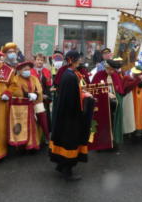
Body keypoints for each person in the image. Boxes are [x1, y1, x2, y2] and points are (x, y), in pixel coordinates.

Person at [50, 51, 94, 181]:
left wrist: (83, 93)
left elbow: (75, 93)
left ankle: (61, 166)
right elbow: (72, 99)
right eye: (78, 59)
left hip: (67, 115)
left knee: (65, 140)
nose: (80, 61)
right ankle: (67, 171)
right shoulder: (69, 77)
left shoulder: (71, 74)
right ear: (73, 60)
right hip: (70, 117)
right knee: (69, 141)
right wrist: (86, 98)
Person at [10, 61, 46, 150]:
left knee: (36, 124)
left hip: (35, 104)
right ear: (20, 70)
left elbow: (40, 89)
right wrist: (27, 95)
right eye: (25, 69)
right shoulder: (15, 79)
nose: (27, 71)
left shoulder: (34, 78)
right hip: (22, 107)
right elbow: (15, 91)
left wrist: (36, 95)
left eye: (29, 69)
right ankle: (23, 145)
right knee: (23, 125)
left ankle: (35, 144)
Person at [91, 59, 125, 149]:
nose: (111, 71)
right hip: (102, 105)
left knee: (113, 123)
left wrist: (116, 96)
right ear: (106, 67)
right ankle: (101, 144)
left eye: (113, 70)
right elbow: (94, 89)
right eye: (109, 69)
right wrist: (106, 93)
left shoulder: (115, 76)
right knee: (102, 124)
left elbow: (120, 90)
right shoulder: (99, 75)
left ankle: (112, 143)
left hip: (113, 105)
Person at [32, 53, 53, 138]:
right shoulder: (30, 71)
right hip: (34, 97)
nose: (39, 61)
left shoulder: (47, 71)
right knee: (34, 117)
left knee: (45, 118)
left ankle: (46, 136)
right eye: (38, 60)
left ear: (44, 61)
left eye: (41, 60)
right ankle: (35, 137)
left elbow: (49, 85)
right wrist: (38, 95)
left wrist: (45, 95)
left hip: (45, 98)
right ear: (35, 61)